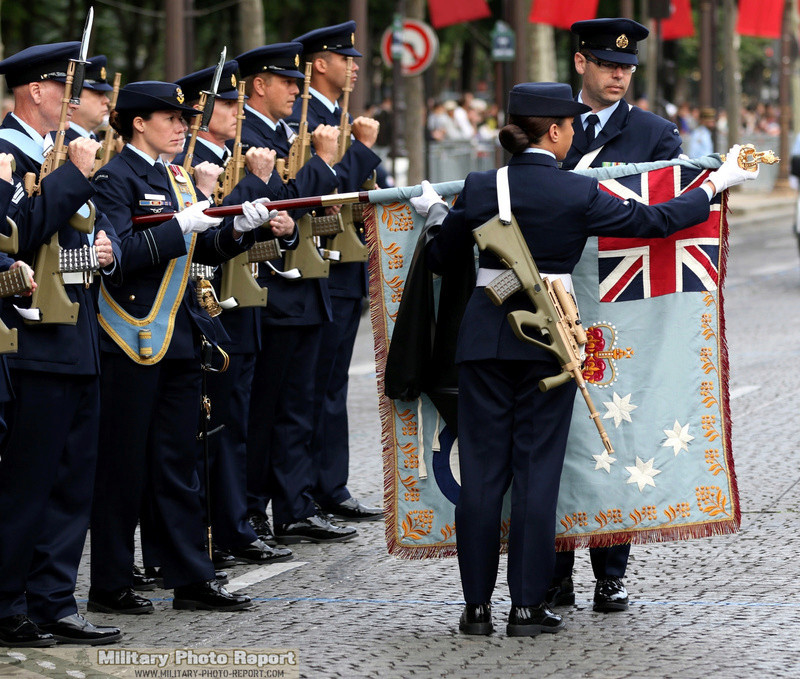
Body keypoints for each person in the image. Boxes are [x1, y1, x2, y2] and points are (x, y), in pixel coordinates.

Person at [410, 82, 756, 637]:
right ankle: (526, 607)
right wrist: (715, 183)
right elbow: (656, 223)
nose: (575, 133)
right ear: (553, 131)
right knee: (536, 473)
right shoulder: (574, 192)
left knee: (480, 477)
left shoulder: (479, 186)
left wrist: (434, 214)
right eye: (571, 125)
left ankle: (475, 610)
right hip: (551, 344)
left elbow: (441, 260)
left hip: (484, 341)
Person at [87, 81, 267, 614]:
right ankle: (111, 583)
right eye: (171, 117)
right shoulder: (113, 180)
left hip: (181, 337)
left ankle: (190, 577)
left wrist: (236, 228)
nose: (183, 125)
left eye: (183, 118)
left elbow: (203, 243)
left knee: (178, 461)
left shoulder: (179, 176)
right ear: (138, 123)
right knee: (123, 466)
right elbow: (117, 260)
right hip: (132, 335)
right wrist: (176, 227)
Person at [556, 17, 685, 613]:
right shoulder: (547, 120)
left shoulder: (655, 133)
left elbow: (666, 207)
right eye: (609, 64)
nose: (619, 75)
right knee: (558, 429)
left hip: (620, 299)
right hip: (554, 294)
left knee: (615, 429)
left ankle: (611, 570)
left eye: (628, 68)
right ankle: (554, 569)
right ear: (580, 62)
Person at [0, 41, 122, 646]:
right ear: (36, 92)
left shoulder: (64, 153)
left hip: (77, 335)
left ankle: (53, 599)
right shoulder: (6, 153)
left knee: (73, 480)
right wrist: (74, 174)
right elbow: (17, 236)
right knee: (28, 481)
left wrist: (108, 249)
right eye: (66, 88)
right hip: (30, 340)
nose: (75, 100)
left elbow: (95, 229)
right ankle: (7, 602)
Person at [233, 42, 357, 545]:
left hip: (304, 285)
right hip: (272, 288)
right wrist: (323, 162)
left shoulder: (283, 133)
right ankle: (256, 507)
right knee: (267, 410)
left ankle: (293, 503)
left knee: (297, 406)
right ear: (259, 85)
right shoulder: (250, 135)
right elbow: (284, 205)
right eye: (286, 83)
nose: (295, 92)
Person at [173, 59, 294, 566]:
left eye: (238, 102)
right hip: (206, 302)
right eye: (226, 104)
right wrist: (252, 186)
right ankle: (217, 528)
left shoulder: (234, 155)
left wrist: (278, 221)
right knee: (211, 425)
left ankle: (234, 522)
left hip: (241, 300)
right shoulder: (191, 161)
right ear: (201, 111)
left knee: (236, 423)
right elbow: (208, 231)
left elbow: (256, 224)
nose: (237, 111)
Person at [287, 21, 383, 527]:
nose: (354, 66)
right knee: (312, 386)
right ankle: (310, 490)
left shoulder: (344, 117)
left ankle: (331, 484)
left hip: (343, 264)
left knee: (331, 385)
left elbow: (367, 190)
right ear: (319, 64)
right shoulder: (304, 121)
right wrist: (362, 148)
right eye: (344, 58)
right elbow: (323, 192)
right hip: (315, 263)